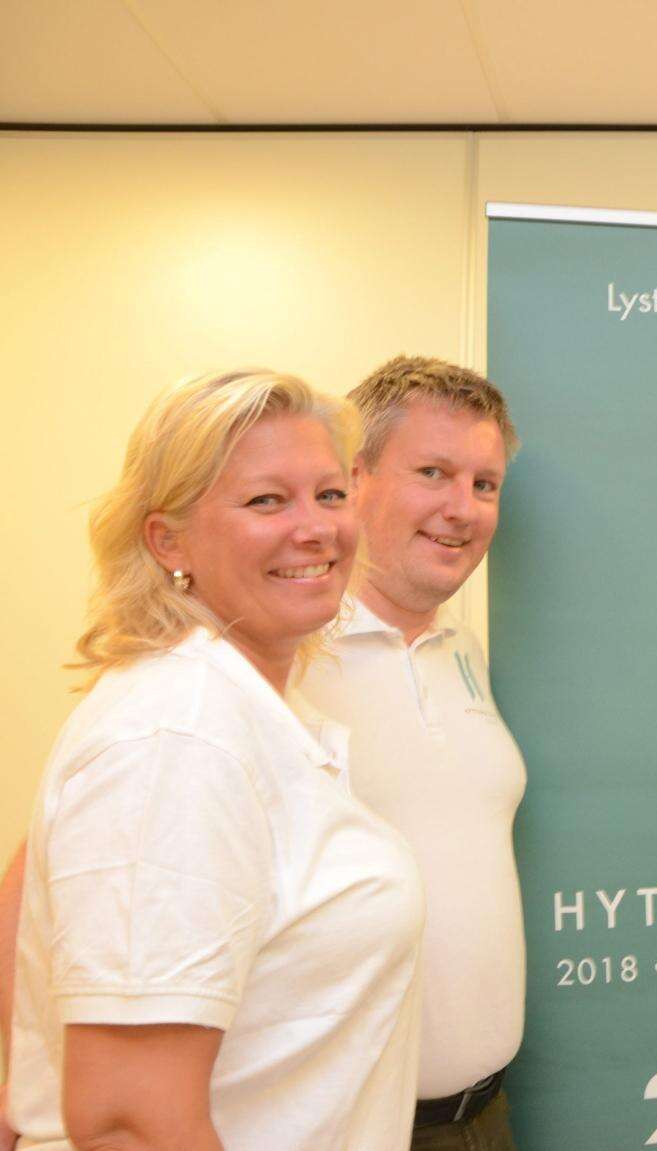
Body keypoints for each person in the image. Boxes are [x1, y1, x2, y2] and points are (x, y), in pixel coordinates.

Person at [6, 370, 423, 1150]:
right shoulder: (178, 734)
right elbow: (130, 1121)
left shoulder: (245, 711)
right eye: (267, 500)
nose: (315, 528)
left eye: (330, 495)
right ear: (168, 540)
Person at [295, 356, 526, 1150]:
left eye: (484, 484)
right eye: (433, 472)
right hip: (345, 1130)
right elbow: (61, 854)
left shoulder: (463, 646)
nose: (462, 508)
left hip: (482, 1116)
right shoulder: (278, 652)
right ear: (354, 477)